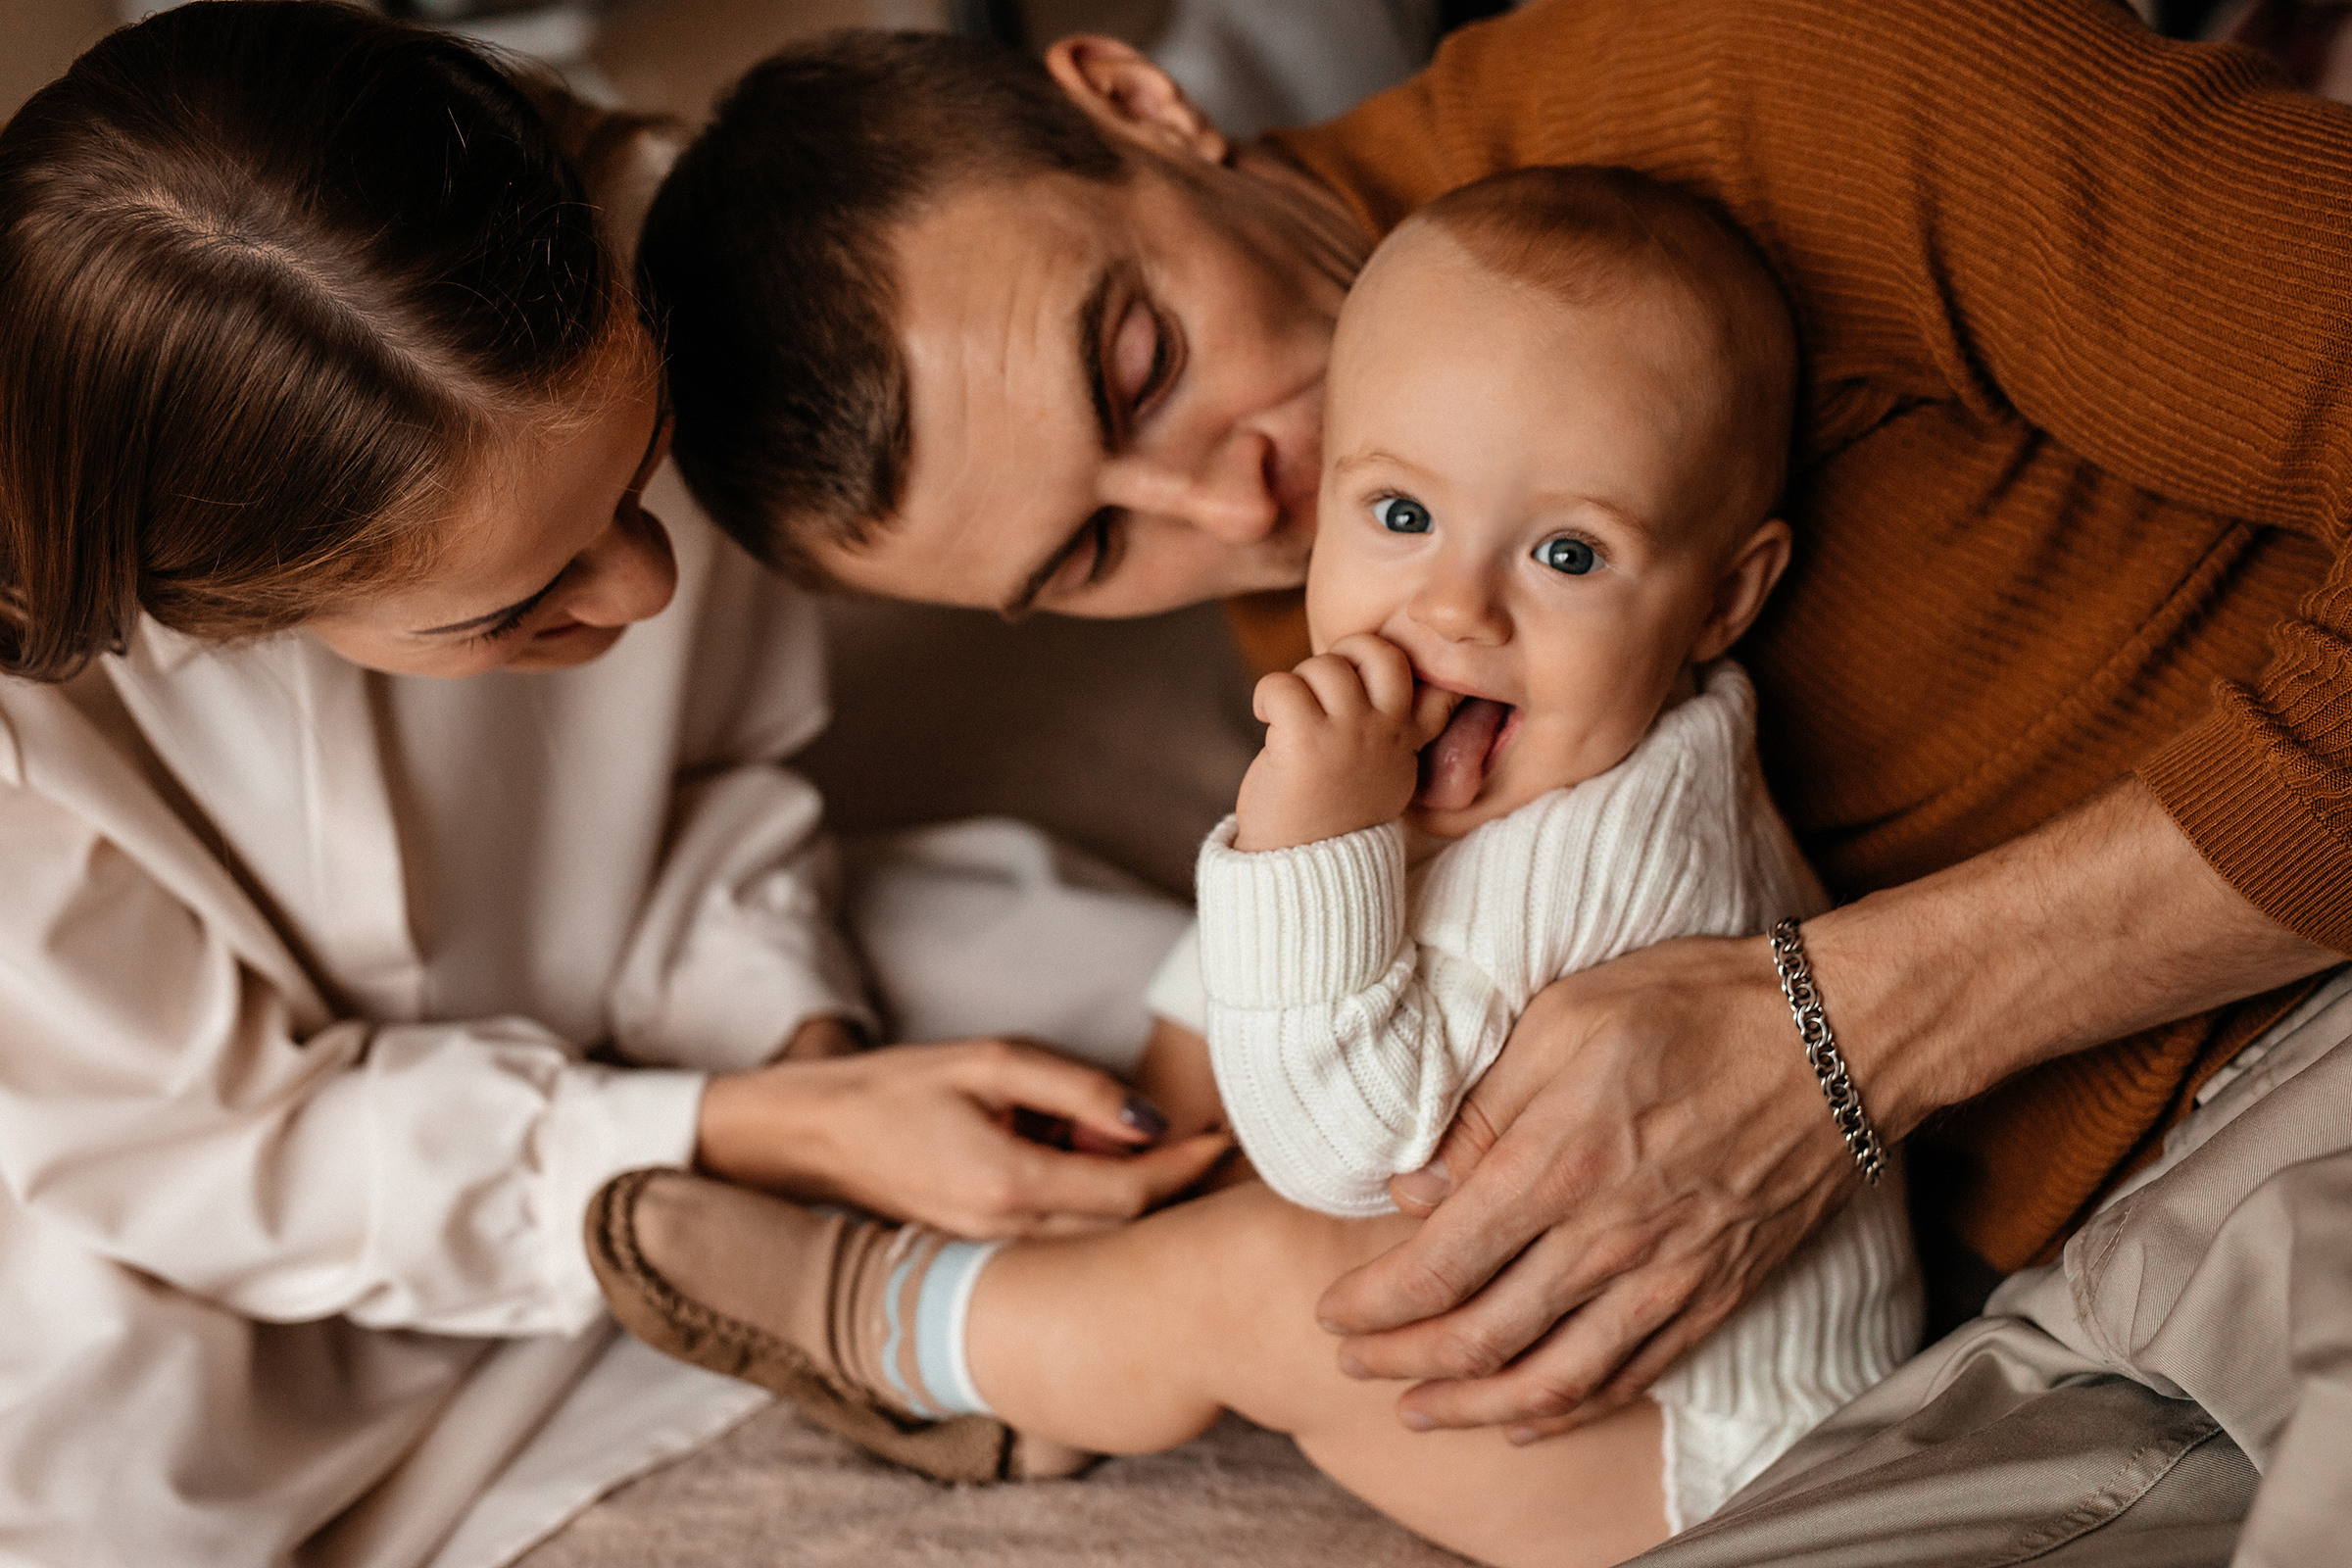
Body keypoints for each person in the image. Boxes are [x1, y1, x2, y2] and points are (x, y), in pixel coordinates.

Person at [630, 1, 2352, 1555]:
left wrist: (1858, 1023)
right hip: (2016, 1304)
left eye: (1138, 361)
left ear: (1138, 99)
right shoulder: (1334, 572)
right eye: (1089, 551)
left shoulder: (1785, 75)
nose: (1234, 516)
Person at [0, 6, 1226, 1563]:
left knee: (1144, 997)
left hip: (643, 1007)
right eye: (521, 607)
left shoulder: (649, 243)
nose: (646, 590)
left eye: (638, 481)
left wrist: (804, 1045)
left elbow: (716, 768)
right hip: (201, 1226)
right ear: (232, 617)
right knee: (111, 1492)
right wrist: (746, 1136)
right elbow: (216, 1157)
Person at [593, 166, 1924, 1568]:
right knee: (1240, 1052)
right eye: (1402, 517)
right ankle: (1098, 1321)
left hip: (1700, 1453)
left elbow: (1341, 1152)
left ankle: (909, 1329)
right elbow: (1289, 963)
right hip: (1591, 1347)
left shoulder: (1618, 851)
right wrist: (1178, 1121)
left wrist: (1309, 839)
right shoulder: (1546, 726)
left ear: (1722, 596)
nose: (1456, 606)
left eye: (1569, 552)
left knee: (1260, 1280)